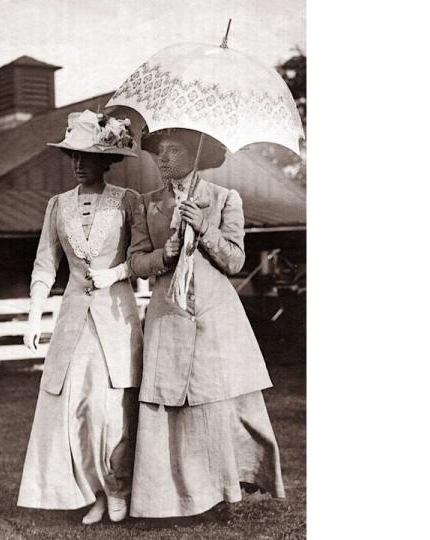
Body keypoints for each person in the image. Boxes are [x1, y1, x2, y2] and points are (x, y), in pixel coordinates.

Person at [127, 128, 286, 518]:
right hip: (168, 316)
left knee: (214, 405)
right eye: (158, 152)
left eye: (173, 150)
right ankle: (169, 498)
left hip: (215, 317)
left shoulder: (223, 199)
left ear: (196, 155)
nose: (162, 159)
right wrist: (162, 255)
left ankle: (223, 494)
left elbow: (235, 261)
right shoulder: (147, 205)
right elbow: (134, 262)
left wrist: (204, 227)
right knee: (170, 406)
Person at [16, 110, 143, 525]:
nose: (78, 163)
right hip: (74, 321)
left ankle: (118, 489)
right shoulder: (57, 205)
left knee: (112, 407)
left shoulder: (127, 201)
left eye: (86, 155)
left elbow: (140, 258)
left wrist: (115, 272)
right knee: (77, 407)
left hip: (116, 318)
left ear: (105, 160)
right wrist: (35, 315)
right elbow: (44, 265)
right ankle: (94, 492)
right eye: (73, 155)